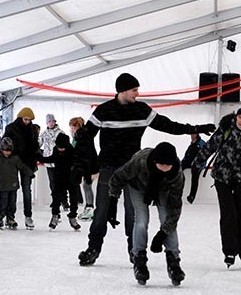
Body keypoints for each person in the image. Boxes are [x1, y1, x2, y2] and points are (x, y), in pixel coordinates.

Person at [74, 73, 215, 267]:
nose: (137, 94)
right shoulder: (103, 111)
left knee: (133, 214)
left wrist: (195, 128)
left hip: (133, 169)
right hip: (108, 168)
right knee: (101, 211)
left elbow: (168, 125)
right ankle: (93, 248)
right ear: (122, 89)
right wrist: (78, 165)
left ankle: (135, 251)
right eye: (134, 90)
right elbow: (85, 137)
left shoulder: (141, 110)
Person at [192, 98, 241, 269]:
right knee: (228, 215)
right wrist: (198, 162)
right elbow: (210, 146)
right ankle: (230, 251)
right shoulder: (225, 129)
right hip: (222, 177)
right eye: (240, 117)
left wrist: (240, 176)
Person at [108, 142, 185, 286]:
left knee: (166, 219)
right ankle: (139, 259)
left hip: (163, 189)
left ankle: (173, 261)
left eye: (167, 166)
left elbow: (174, 209)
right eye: (161, 165)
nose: (164, 169)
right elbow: (118, 177)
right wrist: (112, 202)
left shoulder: (176, 174)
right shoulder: (140, 161)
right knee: (141, 220)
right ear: (155, 161)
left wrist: (162, 235)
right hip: (137, 187)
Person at [0, 138, 34, 230]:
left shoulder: (15, 158)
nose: (8, 153)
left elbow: (23, 167)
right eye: (6, 151)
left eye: (10, 151)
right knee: (3, 203)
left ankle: (10, 219)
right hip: (3, 186)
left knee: (12, 204)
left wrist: (30, 173)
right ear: (1, 149)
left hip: (13, 185)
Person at [3, 107, 41, 230]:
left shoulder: (33, 129)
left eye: (29, 120)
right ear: (20, 117)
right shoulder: (11, 128)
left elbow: (35, 145)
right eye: (25, 119)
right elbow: (5, 143)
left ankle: (28, 216)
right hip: (13, 163)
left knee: (26, 190)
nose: (27, 122)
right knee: (11, 190)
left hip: (28, 164)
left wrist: (37, 157)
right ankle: (10, 217)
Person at [39, 133, 81, 230]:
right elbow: (53, 158)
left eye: (62, 148)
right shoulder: (56, 149)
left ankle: (73, 216)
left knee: (74, 198)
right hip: (59, 177)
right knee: (56, 197)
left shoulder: (72, 151)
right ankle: (55, 215)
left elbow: (79, 164)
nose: (60, 149)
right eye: (59, 147)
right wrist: (41, 158)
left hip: (71, 179)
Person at [69, 117, 98, 220]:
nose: (71, 130)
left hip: (90, 166)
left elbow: (85, 152)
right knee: (86, 185)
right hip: (88, 165)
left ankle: (90, 208)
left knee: (87, 185)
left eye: (72, 127)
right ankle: (89, 208)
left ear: (77, 126)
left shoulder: (82, 135)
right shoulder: (80, 135)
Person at [39, 113, 66, 209]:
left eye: (52, 121)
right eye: (49, 121)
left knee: (61, 181)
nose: (51, 123)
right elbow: (38, 144)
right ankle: (55, 200)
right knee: (52, 182)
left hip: (59, 162)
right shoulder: (43, 133)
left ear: (55, 121)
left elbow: (65, 145)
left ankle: (64, 201)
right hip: (49, 162)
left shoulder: (61, 132)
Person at [181, 133, 205, 203]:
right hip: (189, 163)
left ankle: (192, 196)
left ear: (197, 135)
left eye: (193, 135)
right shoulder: (191, 145)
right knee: (178, 169)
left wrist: (202, 164)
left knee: (195, 176)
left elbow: (205, 154)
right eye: (191, 135)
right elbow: (186, 155)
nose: (192, 136)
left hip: (198, 163)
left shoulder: (201, 143)